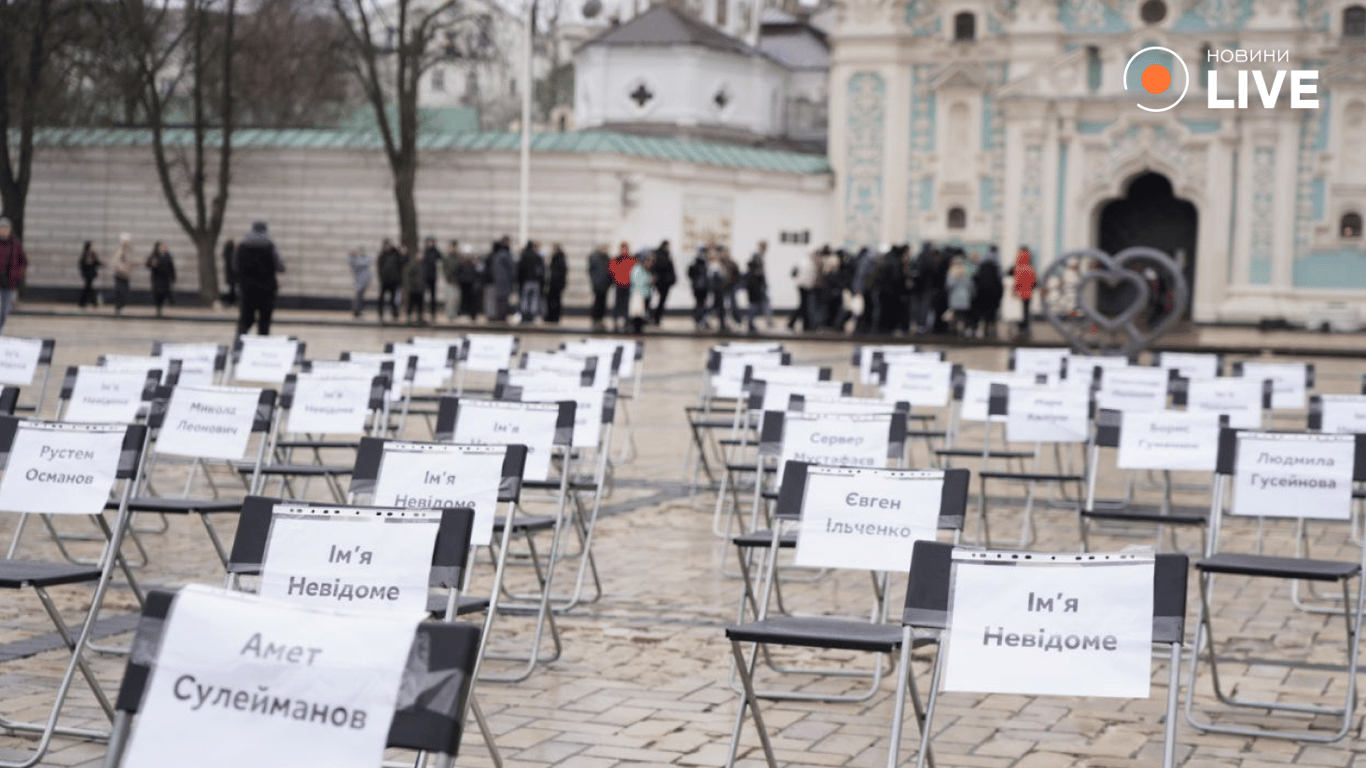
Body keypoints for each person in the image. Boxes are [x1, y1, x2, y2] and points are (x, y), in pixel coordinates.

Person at [235, 221, 284, 335]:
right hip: (267, 289)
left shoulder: (242, 246)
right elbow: (280, 267)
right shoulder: (270, 245)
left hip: (247, 289)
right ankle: (261, 347)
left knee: (245, 320)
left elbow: (235, 265)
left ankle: (239, 347)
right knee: (264, 322)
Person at [971, 245, 1004, 339]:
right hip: (993, 293)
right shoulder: (997, 263)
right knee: (991, 312)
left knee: (981, 310)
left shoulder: (982, 264)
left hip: (981, 292)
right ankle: (988, 329)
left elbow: (975, 278)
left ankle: (976, 328)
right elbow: (999, 281)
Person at [0, 218, 26, 332]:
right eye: (1, 228)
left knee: (5, 309)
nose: (4, 231)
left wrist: (18, 274)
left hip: (9, 280)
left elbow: (23, 261)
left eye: (6, 228)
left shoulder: (15, 243)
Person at [1009, 246, 1037, 337]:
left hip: (1018, 292)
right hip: (1028, 293)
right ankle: (1025, 328)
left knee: (1018, 312)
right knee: (1026, 311)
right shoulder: (1030, 266)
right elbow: (1034, 282)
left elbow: (1009, 274)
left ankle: (1019, 327)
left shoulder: (1017, 265)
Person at [488, 236, 516, 322]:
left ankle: (501, 315)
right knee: (503, 299)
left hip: (499, 280)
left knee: (501, 299)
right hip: (504, 280)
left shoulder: (498, 255)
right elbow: (512, 269)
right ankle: (502, 315)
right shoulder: (505, 254)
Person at [517, 240, 545, 324]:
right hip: (535, 281)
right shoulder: (538, 257)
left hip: (526, 281)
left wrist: (519, 281)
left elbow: (520, 270)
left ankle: (525, 315)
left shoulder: (524, 256)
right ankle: (532, 315)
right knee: (534, 299)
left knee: (525, 299)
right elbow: (541, 271)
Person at [145, 241, 176, 317]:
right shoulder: (154, 256)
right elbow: (148, 264)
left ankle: (162, 307)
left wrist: (173, 277)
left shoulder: (167, 256)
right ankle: (158, 309)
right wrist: (153, 265)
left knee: (164, 293)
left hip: (165, 278)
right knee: (157, 293)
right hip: (157, 278)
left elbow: (171, 267)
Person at [744, 245, 770, 333]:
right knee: (755, 306)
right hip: (755, 290)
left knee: (757, 305)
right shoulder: (754, 273)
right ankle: (751, 323)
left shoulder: (753, 272)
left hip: (756, 289)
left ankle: (752, 322)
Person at [610, 243, 635, 332]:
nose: (624, 251)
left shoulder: (631, 260)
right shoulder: (616, 260)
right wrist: (615, 280)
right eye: (623, 249)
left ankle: (626, 321)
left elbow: (634, 271)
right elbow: (611, 270)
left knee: (626, 304)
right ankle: (616, 320)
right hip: (619, 285)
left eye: (625, 249)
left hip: (628, 285)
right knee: (618, 304)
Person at [649, 240, 675, 325]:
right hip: (659, 281)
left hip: (664, 282)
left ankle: (656, 317)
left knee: (661, 301)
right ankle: (654, 316)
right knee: (653, 299)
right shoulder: (659, 255)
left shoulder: (666, 255)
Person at [376, 239, 402, 322]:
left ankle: (394, 313)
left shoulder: (395, 255)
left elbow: (400, 264)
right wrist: (381, 278)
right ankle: (381, 313)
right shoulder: (382, 256)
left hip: (393, 281)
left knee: (393, 299)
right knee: (381, 298)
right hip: (385, 280)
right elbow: (379, 268)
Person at [628, 251, 653, 334]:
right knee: (637, 313)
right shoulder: (637, 269)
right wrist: (649, 280)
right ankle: (636, 329)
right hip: (638, 294)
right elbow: (637, 281)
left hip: (644, 294)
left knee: (641, 313)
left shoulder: (644, 269)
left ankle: (639, 328)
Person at [588, 244, 611, 331]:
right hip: (597, 285)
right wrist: (595, 282)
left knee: (603, 303)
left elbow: (610, 272)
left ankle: (601, 319)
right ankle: (595, 319)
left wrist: (609, 282)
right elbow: (591, 271)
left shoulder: (607, 259)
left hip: (605, 285)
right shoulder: (595, 258)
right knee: (597, 303)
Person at [456, 246, 482, 321]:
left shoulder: (474, 263)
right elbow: (456, 273)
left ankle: (472, 315)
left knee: (473, 300)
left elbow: (480, 270)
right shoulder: (461, 264)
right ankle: (464, 314)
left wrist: (476, 261)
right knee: (464, 300)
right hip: (464, 284)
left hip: (472, 284)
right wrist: (460, 279)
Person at [687, 245, 710, 330]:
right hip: (700, 288)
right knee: (700, 304)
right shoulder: (699, 263)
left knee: (701, 304)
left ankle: (701, 320)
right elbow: (691, 274)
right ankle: (699, 320)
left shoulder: (701, 263)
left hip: (701, 287)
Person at [403, 249, 426, 325]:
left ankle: (419, 317)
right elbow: (408, 276)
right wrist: (410, 286)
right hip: (413, 288)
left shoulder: (422, 265)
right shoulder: (412, 264)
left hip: (420, 288)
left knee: (420, 304)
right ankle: (409, 317)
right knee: (411, 303)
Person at [112, 233, 134, 314]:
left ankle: (120, 306)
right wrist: (123, 270)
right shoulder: (120, 251)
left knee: (124, 291)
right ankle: (118, 306)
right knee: (120, 291)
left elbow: (129, 262)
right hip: (120, 275)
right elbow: (117, 263)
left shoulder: (128, 252)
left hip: (125, 276)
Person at [78, 240, 103, 309]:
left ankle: (84, 303)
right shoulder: (86, 255)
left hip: (91, 274)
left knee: (88, 288)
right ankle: (92, 302)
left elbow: (96, 262)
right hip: (87, 274)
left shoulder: (92, 255)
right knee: (88, 288)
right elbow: (82, 264)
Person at [545, 243, 567, 324]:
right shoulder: (560, 258)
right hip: (556, 283)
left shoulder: (558, 259)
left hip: (556, 284)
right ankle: (552, 316)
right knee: (554, 301)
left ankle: (553, 317)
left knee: (554, 301)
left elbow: (559, 272)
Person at [441, 240, 462, 321]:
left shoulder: (458, 258)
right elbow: (445, 270)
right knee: (449, 299)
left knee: (456, 298)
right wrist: (449, 278)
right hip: (449, 281)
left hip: (457, 281)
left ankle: (455, 313)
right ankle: (450, 314)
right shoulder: (446, 257)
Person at [422, 237, 442, 322]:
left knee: (433, 296)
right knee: (423, 296)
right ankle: (423, 313)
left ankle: (433, 313)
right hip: (424, 277)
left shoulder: (435, 252)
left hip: (432, 277)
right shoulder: (424, 252)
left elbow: (440, 257)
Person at [348, 248, 372, 317]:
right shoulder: (356, 261)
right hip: (359, 282)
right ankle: (356, 311)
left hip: (364, 281)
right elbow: (353, 262)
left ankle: (358, 310)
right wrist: (352, 256)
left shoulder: (361, 260)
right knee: (358, 297)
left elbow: (368, 260)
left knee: (360, 297)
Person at [221, 239, 237, 306]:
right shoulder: (233, 252)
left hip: (228, 271)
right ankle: (232, 300)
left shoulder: (226, 252)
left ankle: (231, 300)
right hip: (233, 272)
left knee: (231, 287)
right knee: (233, 287)